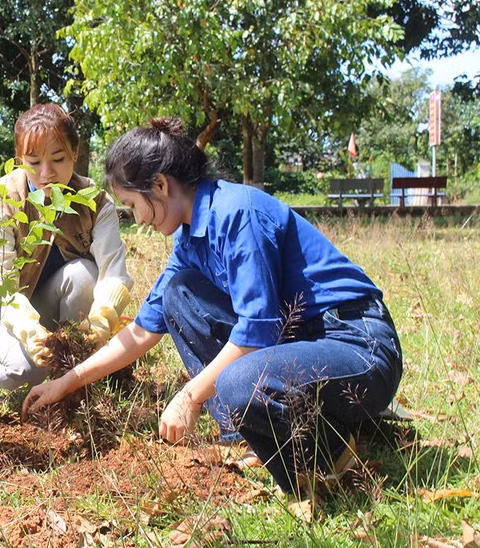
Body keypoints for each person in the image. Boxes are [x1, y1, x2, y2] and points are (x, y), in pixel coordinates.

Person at [23, 117, 403, 500]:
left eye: (133, 205)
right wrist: (67, 381)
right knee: (178, 293)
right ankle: (249, 437)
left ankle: (335, 453)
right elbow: (141, 331)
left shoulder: (238, 213)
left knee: (237, 381)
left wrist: (190, 396)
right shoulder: (189, 240)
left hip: (357, 345)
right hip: (304, 344)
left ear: (160, 185)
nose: (137, 219)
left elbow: (257, 334)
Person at [0, 104, 133, 394]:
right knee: (27, 370)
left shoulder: (95, 202)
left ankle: (73, 378)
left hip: (40, 303)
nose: (46, 173)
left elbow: (112, 273)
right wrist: (28, 330)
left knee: (84, 274)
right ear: (19, 160)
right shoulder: (0, 200)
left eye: (58, 159)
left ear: (75, 154)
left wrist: (102, 320)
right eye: (34, 162)